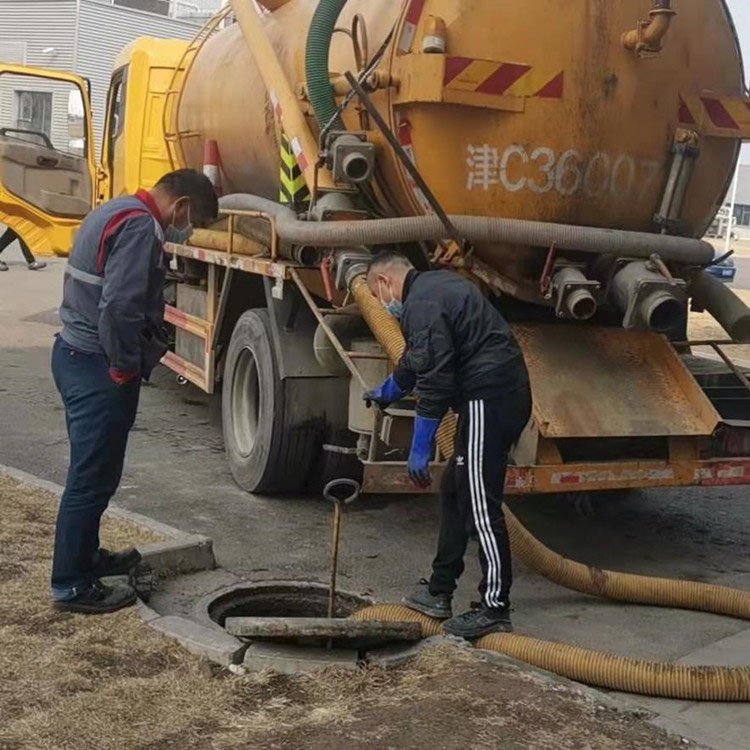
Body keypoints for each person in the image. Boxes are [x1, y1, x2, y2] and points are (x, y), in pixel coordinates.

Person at [51, 169, 218, 614]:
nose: (182, 230)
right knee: (90, 479)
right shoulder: (143, 226)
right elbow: (121, 306)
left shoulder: (116, 208)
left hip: (74, 355)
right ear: (180, 206)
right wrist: (124, 367)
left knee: (95, 474)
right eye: (190, 221)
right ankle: (71, 585)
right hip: (96, 366)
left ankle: (85, 559)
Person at [364, 251, 532, 639]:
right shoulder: (434, 288)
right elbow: (419, 357)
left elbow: (436, 383)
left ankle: (495, 608)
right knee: (455, 489)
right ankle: (439, 590)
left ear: (386, 283)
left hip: (490, 400)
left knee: (480, 503)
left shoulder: (421, 303)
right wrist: (389, 390)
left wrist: (419, 446)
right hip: (492, 397)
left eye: (377, 295)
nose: (383, 306)